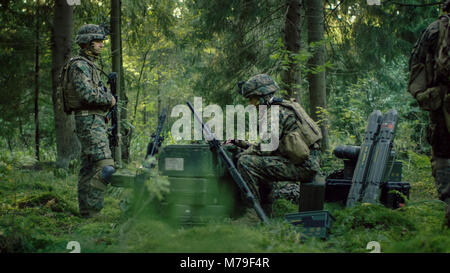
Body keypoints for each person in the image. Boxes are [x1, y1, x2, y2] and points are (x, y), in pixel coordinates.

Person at [234, 74, 323, 216]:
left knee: (246, 162)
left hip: (303, 168)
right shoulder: (284, 107)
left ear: (262, 96)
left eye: (253, 98)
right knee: (259, 163)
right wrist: (242, 144)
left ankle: (253, 215)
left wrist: (243, 153)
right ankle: (266, 210)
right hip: (307, 164)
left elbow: (267, 147)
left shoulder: (274, 112)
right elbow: (272, 146)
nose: (250, 103)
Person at [62, 24, 116, 218]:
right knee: (106, 168)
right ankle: (93, 211)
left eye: (102, 41)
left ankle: (87, 212)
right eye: (98, 41)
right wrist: (109, 99)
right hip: (89, 121)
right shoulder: (79, 65)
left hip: (94, 120)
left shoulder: (88, 65)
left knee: (88, 168)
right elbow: (86, 95)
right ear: (87, 43)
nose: (102, 44)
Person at [408, 1, 450, 227]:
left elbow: (415, 62)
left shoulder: (434, 29)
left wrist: (424, 95)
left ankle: (448, 203)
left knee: (443, 153)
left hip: (441, 103)